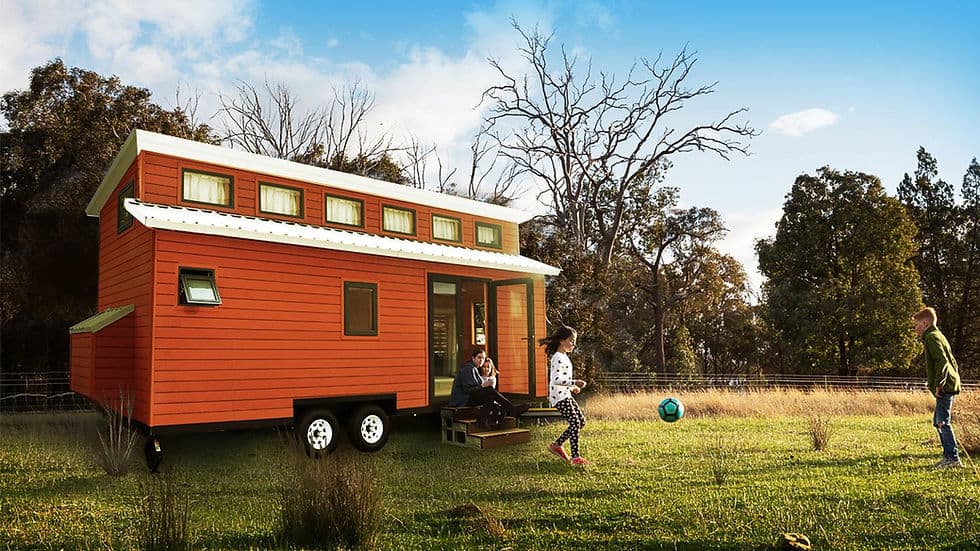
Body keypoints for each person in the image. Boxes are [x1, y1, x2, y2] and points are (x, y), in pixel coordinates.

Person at [912, 307, 963, 469]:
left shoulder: (932, 338)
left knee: (942, 422)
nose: (915, 329)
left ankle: (953, 459)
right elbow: (951, 361)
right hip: (949, 382)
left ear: (925, 323)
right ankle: (948, 457)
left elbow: (942, 362)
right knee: (938, 421)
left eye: (916, 325)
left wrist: (939, 384)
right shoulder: (937, 335)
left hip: (945, 385)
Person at [539, 325, 590, 466]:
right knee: (575, 422)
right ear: (562, 340)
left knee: (581, 422)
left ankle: (557, 445)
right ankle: (575, 457)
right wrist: (574, 382)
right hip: (559, 396)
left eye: (574, 341)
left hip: (565, 394)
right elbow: (555, 380)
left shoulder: (564, 357)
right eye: (571, 340)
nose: (573, 344)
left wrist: (572, 387)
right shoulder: (557, 357)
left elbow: (563, 379)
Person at [448, 347, 529, 424]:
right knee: (489, 390)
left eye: (483, 358)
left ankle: (483, 421)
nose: (481, 360)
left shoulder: (474, 369)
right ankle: (512, 409)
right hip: (462, 400)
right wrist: (483, 386)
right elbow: (467, 390)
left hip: (467, 398)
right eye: (479, 357)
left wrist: (483, 387)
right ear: (473, 358)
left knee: (490, 396)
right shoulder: (468, 368)